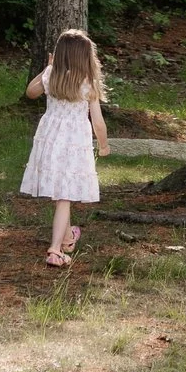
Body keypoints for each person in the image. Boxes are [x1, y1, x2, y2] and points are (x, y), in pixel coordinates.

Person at [20, 28, 111, 267]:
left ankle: (68, 236)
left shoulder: (51, 76)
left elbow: (30, 92)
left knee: (62, 191)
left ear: (59, 55)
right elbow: (98, 122)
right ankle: (55, 250)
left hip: (50, 140)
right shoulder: (87, 84)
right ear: (86, 58)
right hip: (73, 144)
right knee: (64, 196)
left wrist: (46, 68)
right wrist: (103, 145)